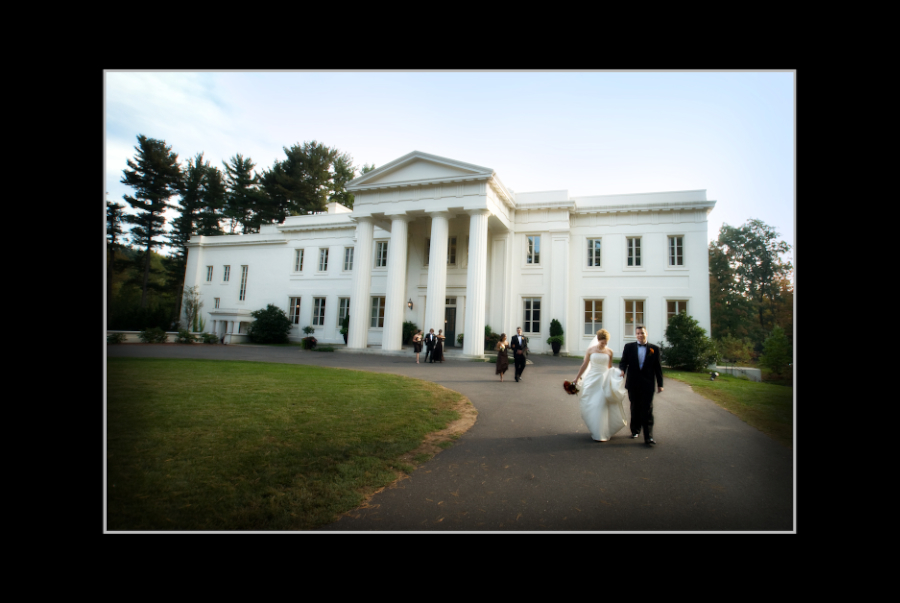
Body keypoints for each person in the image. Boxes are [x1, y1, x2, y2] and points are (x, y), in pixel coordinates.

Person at [572, 329, 628, 442]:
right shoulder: (590, 350)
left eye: (606, 342)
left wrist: (615, 377)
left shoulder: (609, 352)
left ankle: (601, 432)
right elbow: (584, 365)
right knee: (591, 404)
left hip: (604, 381)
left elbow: (609, 367)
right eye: (603, 342)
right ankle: (595, 427)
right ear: (598, 340)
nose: (604, 344)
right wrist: (577, 378)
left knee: (601, 405)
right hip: (592, 379)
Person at [618, 324, 664, 447]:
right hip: (633, 383)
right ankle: (635, 431)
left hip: (648, 384)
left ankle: (648, 436)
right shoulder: (629, 347)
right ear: (635, 335)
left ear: (646, 334)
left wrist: (660, 384)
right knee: (635, 407)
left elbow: (658, 368)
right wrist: (622, 370)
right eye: (638, 333)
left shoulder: (654, 349)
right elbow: (623, 362)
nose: (640, 335)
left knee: (648, 409)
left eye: (642, 333)